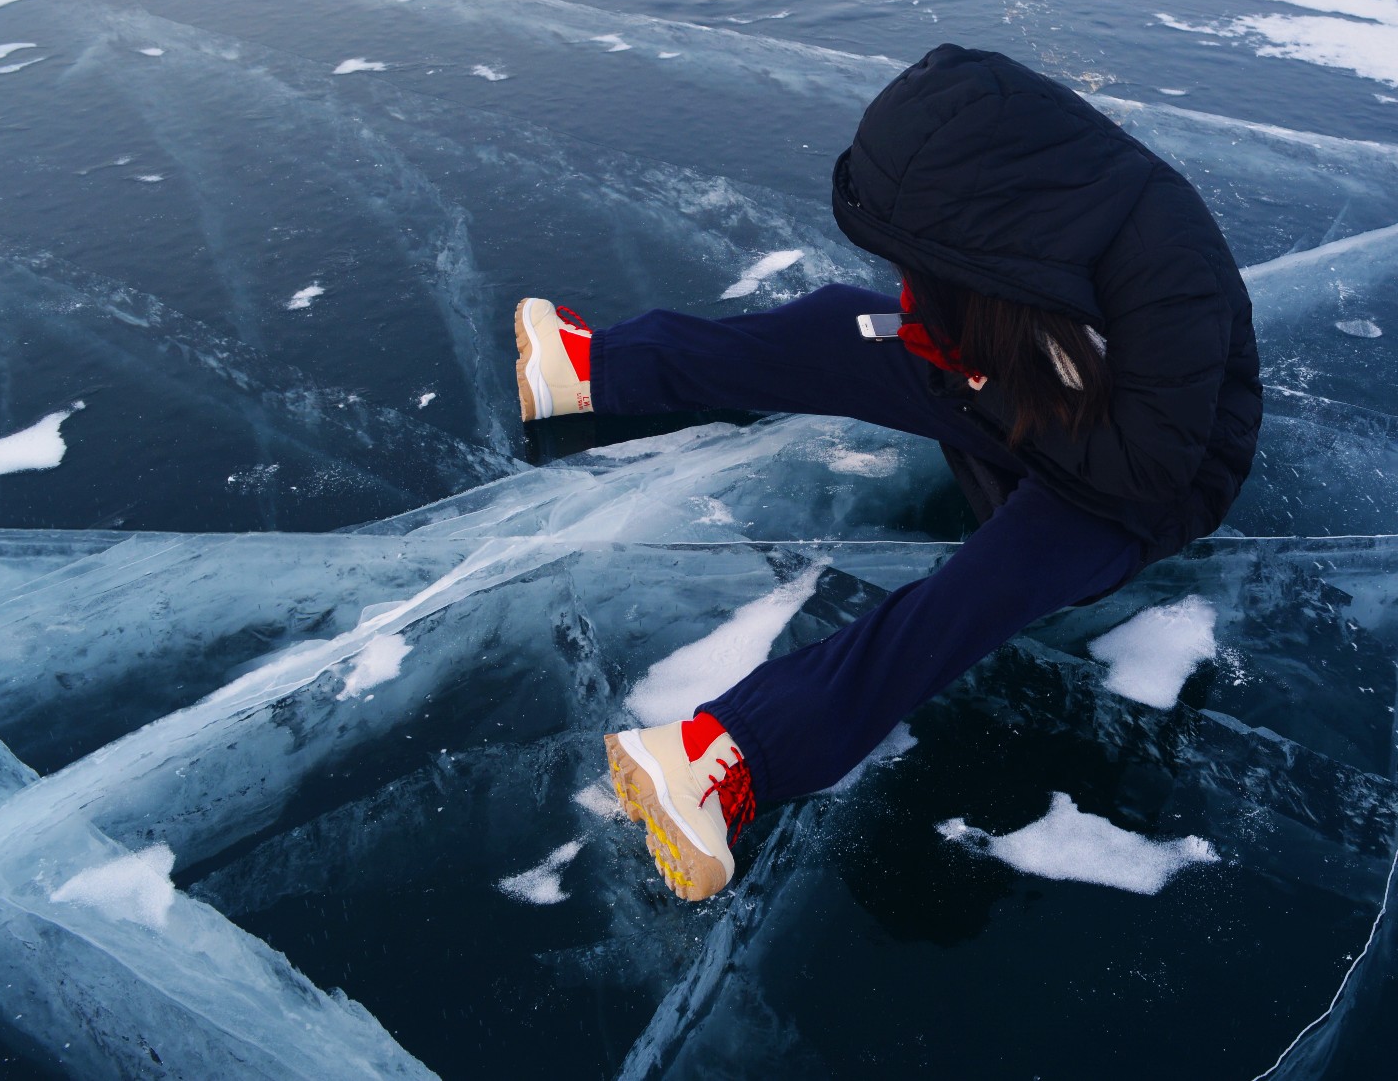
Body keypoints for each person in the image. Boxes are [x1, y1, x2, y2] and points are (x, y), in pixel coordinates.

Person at [512, 44, 1263, 900]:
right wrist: (969, 368)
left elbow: (1149, 465)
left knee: (980, 588)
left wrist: (976, 385)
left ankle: (723, 762)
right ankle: (591, 366)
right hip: (1026, 389)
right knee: (842, 324)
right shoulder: (1030, 206)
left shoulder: (1170, 262)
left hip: (1150, 479)